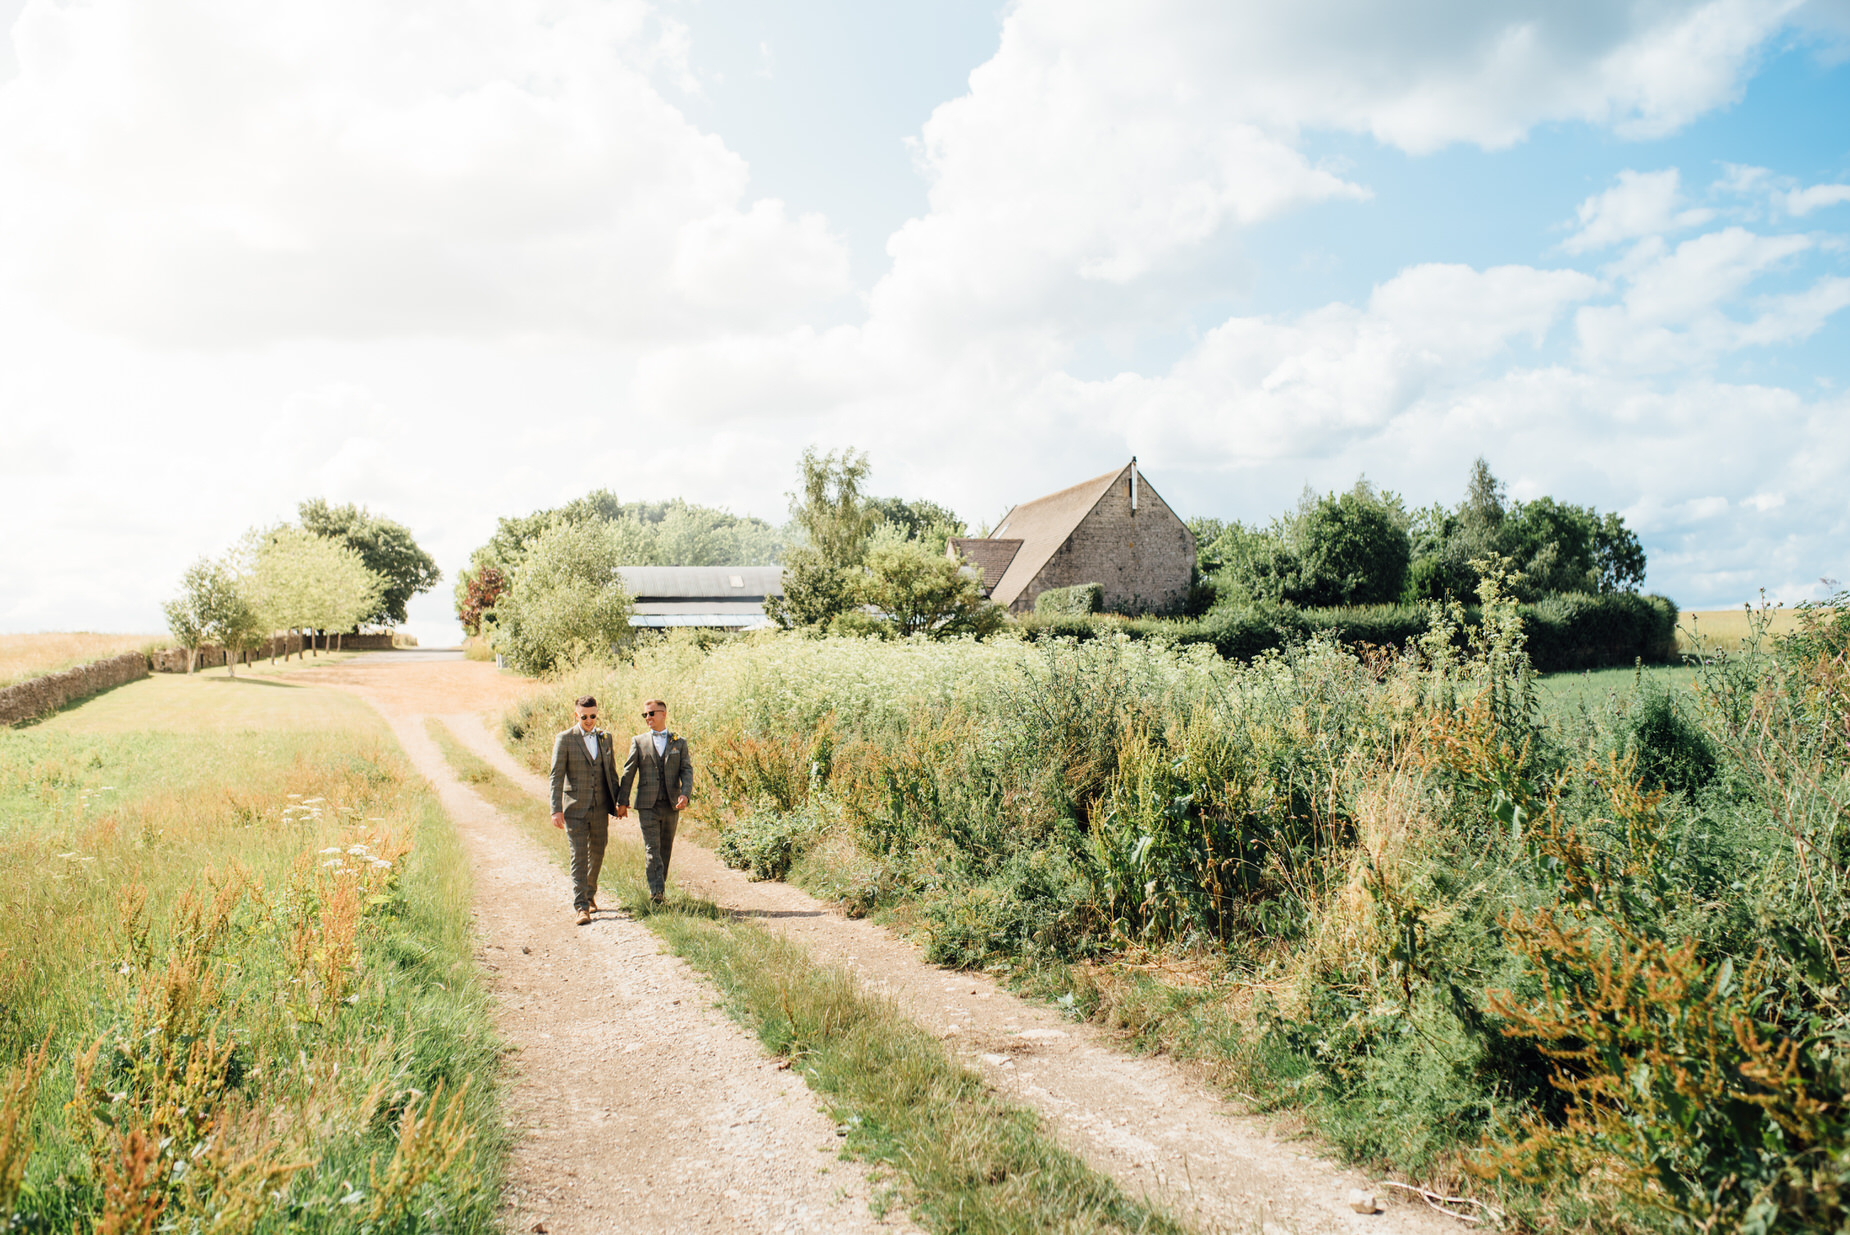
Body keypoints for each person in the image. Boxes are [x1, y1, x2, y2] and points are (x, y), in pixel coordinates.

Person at [550, 695, 620, 926]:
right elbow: (556, 776)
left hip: (600, 807)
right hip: (574, 808)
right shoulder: (565, 739)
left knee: (598, 851)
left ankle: (590, 892)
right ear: (576, 715)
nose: (589, 720)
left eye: (593, 716)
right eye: (584, 716)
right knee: (578, 855)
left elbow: (611, 773)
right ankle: (581, 906)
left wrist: (619, 802)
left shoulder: (605, 738)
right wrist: (555, 809)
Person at [617, 697, 693, 903]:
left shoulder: (679, 742)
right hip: (647, 805)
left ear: (663, 714)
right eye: (645, 714)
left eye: (651, 713)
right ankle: (656, 893)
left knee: (665, 848)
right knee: (652, 848)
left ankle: (660, 888)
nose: (647, 718)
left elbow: (686, 770)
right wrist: (621, 801)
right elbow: (628, 772)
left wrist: (685, 794)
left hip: (671, 804)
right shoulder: (639, 742)